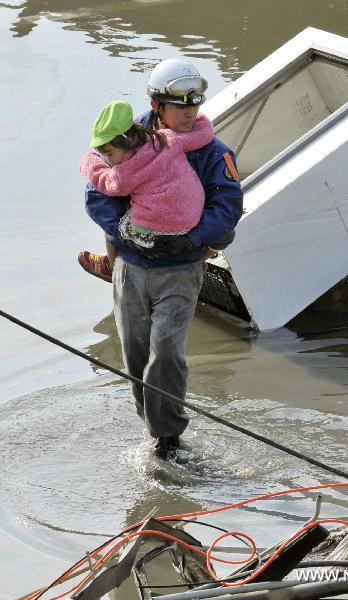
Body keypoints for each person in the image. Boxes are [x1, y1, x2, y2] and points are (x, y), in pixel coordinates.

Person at [80, 58, 243, 460]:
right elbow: (98, 195)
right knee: (135, 354)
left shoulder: (211, 153)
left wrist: (190, 238)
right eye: (179, 106)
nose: (190, 114)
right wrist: (129, 234)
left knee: (167, 351)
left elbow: (228, 205)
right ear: (157, 106)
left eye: (195, 106)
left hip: (181, 269)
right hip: (131, 268)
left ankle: (169, 439)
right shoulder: (125, 142)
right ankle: (154, 428)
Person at [79, 100, 215, 270]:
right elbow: (202, 136)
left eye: (109, 154)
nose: (110, 161)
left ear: (125, 142)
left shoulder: (125, 173)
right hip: (191, 220)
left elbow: (105, 181)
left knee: (112, 212)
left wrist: (88, 160)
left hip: (154, 234)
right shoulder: (166, 138)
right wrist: (198, 117)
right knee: (225, 235)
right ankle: (198, 261)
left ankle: (111, 264)